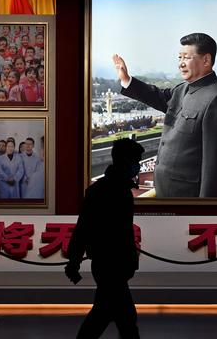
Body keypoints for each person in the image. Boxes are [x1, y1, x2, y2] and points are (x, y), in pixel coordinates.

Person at [113, 33, 217, 197]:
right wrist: (127, 80)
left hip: (187, 198)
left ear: (206, 60)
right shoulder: (182, 89)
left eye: (186, 57)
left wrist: (206, 209)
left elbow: (214, 167)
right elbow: (156, 95)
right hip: (164, 192)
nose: (181, 64)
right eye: (179, 58)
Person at [65, 138, 145, 339]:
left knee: (106, 315)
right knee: (123, 319)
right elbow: (85, 228)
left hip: (107, 264)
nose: (138, 165)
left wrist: (74, 261)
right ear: (126, 161)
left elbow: (83, 227)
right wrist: (73, 262)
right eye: (136, 160)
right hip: (112, 265)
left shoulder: (103, 189)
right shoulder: (115, 191)